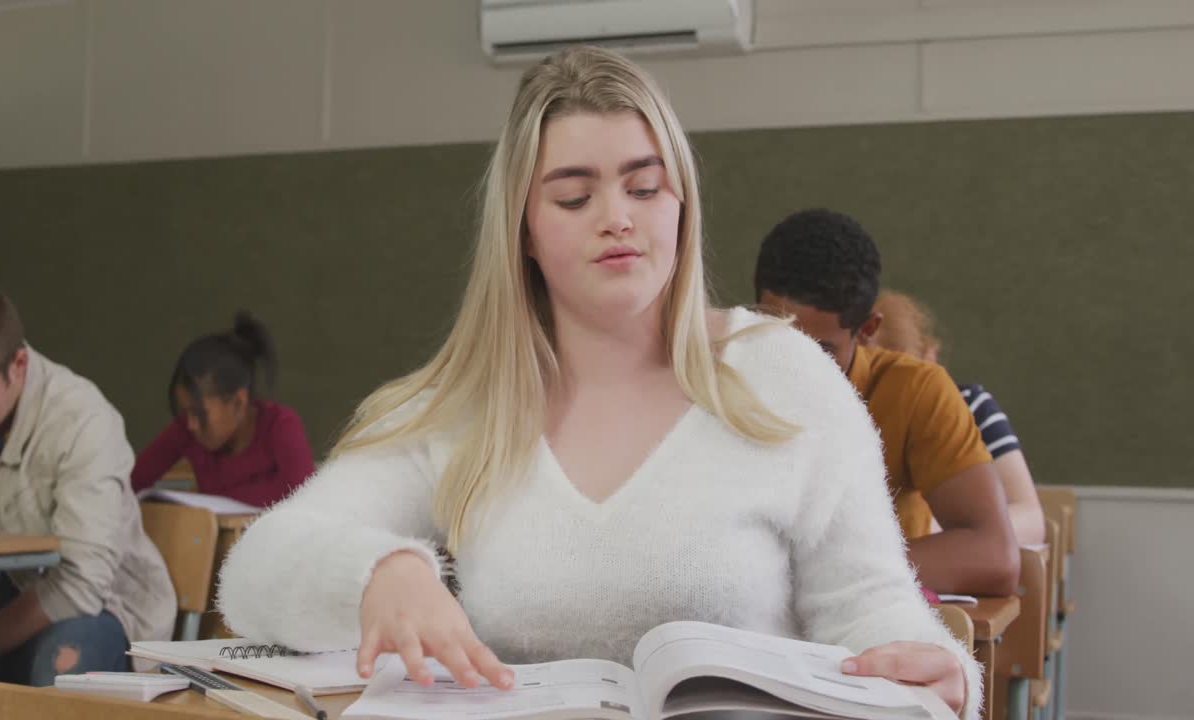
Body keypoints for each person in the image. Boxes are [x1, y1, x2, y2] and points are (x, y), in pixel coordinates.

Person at [218, 47, 981, 718]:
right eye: (575, 197)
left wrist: (931, 668)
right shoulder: (465, 403)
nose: (617, 219)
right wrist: (379, 574)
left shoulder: (782, 373)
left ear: (681, 204)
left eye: (645, 189)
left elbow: (871, 603)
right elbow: (256, 570)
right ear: (522, 227)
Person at [0, 276, 176, 701]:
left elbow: (79, 585)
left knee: (65, 663)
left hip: (88, 609)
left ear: (18, 364)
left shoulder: (83, 421)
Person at [755, 208, 1020, 598]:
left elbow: (994, 556)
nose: (793, 365)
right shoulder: (716, 380)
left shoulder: (915, 391)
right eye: (776, 337)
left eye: (820, 350)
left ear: (867, 330)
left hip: (869, 619)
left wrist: (813, 575)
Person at [870, 289, 1044, 545]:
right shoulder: (850, 409)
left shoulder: (970, 404)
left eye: (903, 374)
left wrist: (943, 531)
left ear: (929, 358)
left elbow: (1030, 517)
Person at [130, 312, 314, 508]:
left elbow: (304, 495)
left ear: (238, 402)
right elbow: (133, 480)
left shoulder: (280, 425)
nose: (191, 424)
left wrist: (225, 498)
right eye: (186, 412)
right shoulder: (187, 429)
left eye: (199, 413)